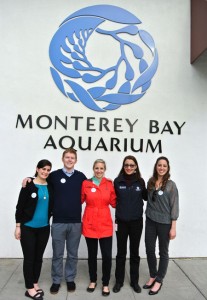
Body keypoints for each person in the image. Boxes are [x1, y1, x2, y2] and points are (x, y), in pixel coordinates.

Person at [22, 148, 87, 294]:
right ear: (63, 159)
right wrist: (29, 178)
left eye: (72, 158)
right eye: (67, 157)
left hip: (75, 221)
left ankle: (70, 279)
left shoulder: (81, 177)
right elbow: (40, 179)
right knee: (57, 254)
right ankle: (56, 280)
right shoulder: (54, 176)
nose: (69, 160)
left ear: (76, 160)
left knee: (72, 254)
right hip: (58, 221)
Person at [15, 159, 53, 300]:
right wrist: (18, 226)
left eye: (48, 170)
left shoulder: (50, 186)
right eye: (43, 169)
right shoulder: (29, 185)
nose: (45, 172)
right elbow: (20, 207)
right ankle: (29, 288)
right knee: (29, 258)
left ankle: (35, 282)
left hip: (44, 228)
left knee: (38, 258)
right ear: (37, 169)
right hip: (28, 228)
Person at [143, 156, 179, 296]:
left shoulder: (171, 185)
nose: (161, 168)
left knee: (163, 252)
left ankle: (159, 279)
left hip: (165, 223)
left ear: (167, 168)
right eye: (159, 165)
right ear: (156, 166)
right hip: (150, 220)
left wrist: (173, 226)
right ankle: (153, 275)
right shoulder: (150, 182)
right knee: (149, 249)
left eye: (164, 166)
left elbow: (174, 206)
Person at [81, 159, 116, 296]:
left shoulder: (109, 184)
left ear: (105, 169)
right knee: (92, 255)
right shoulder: (86, 183)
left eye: (101, 168)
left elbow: (115, 202)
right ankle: (93, 280)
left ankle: (105, 283)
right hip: (90, 223)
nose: (99, 170)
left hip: (105, 223)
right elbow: (78, 199)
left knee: (107, 256)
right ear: (93, 169)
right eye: (97, 168)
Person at [113, 155, 147, 294]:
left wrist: (155, 188)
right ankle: (119, 281)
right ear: (123, 166)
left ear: (136, 167)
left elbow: (146, 197)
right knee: (121, 253)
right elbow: (112, 198)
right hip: (121, 222)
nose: (128, 167)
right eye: (126, 165)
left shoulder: (140, 181)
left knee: (134, 253)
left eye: (131, 165)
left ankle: (134, 282)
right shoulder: (117, 181)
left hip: (136, 223)